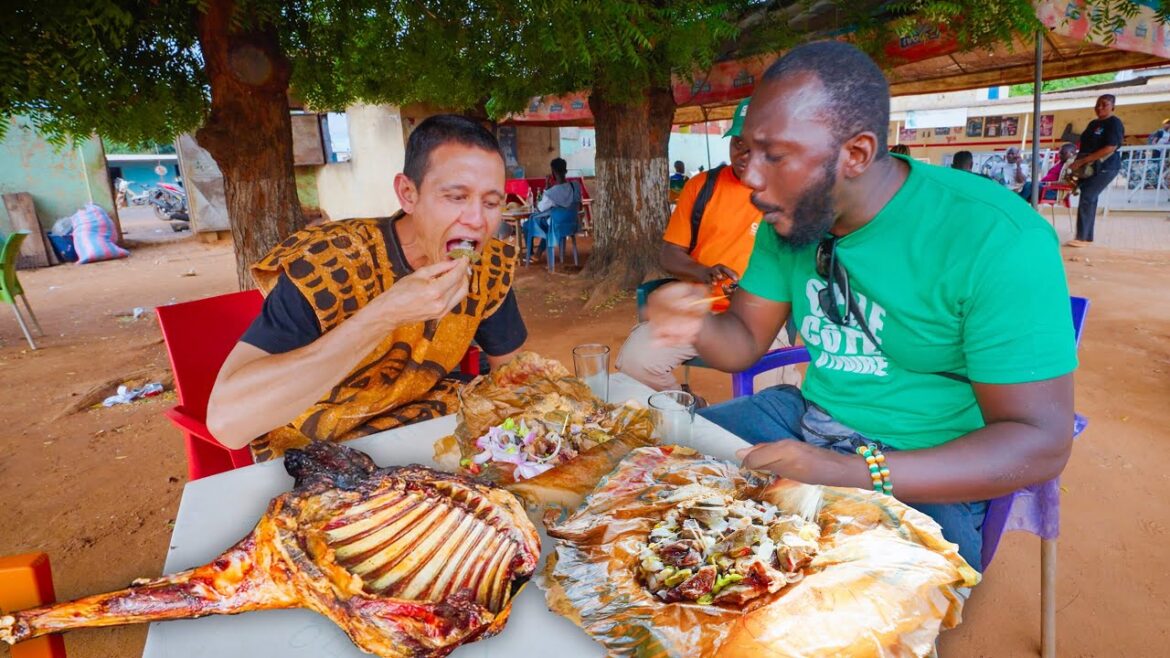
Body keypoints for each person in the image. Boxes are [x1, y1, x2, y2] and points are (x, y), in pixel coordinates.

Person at [645, 41, 1077, 569]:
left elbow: (1040, 443)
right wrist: (692, 320)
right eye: (747, 152)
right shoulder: (791, 218)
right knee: (659, 478)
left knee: (822, 607)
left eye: (774, 156)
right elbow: (741, 341)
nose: (752, 178)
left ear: (856, 153)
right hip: (808, 418)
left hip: (927, 464)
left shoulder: (993, 237)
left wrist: (847, 470)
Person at [206, 114, 527, 461]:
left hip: (430, 441)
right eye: (456, 197)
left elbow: (513, 377)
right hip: (320, 459)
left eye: (492, 203)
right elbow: (228, 423)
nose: (477, 220)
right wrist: (384, 314)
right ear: (408, 193)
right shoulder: (330, 263)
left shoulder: (489, 264)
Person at [617, 97, 800, 396]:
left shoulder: (790, 196)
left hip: (761, 318)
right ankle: (688, 411)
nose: (744, 153)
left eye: (756, 144)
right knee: (636, 362)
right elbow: (669, 254)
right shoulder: (702, 187)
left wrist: (754, 293)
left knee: (770, 396)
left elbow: (803, 267)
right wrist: (703, 273)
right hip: (699, 311)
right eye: (738, 142)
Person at [1067, 94, 1124, 247]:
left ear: (1113, 106)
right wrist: (1077, 163)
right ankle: (1086, 236)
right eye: (1098, 104)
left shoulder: (1114, 123)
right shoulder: (1093, 124)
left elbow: (1110, 147)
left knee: (1088, 196)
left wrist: (1084, 161)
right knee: (1089, 197)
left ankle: (1082, 237)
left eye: (1104, 104)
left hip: (1105, 166)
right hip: (1088, 167)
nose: (1100, 107)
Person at [524, 157, 580, 259]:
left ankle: (531, 253)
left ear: (553, 173)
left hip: (555, 226)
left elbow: (540, 208)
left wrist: (546, 187)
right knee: (550, 222)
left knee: (527, 225)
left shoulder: (551, 193)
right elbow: (578, 205)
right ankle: (538, 253)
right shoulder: (575, 186)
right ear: (566, 171)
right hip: (572, 224)